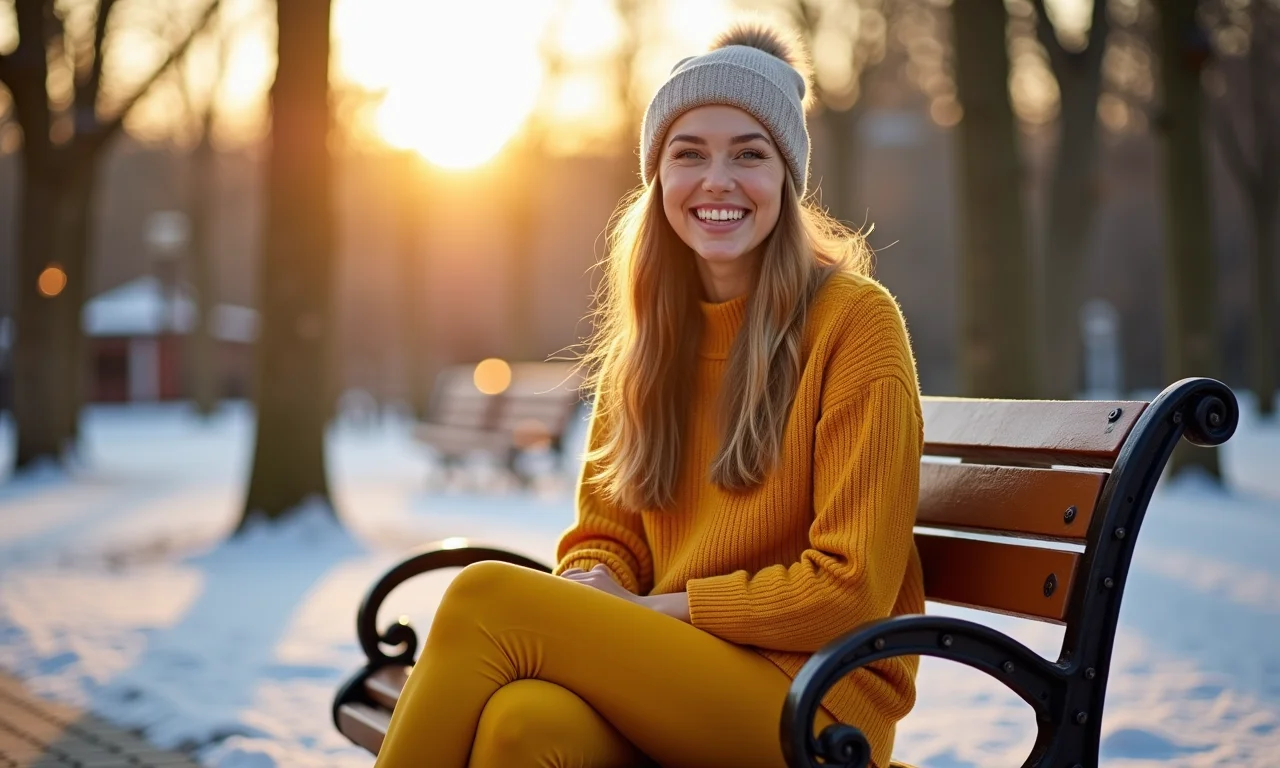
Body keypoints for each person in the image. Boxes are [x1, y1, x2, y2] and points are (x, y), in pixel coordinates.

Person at [373, 19, 924, 768]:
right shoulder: (649, 345)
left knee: (484, 599)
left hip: (815, 706)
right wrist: (591, 589)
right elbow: (608, 539)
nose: (717, 181)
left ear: (787, 179)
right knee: (522, 723)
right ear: (658, 176)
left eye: (749, 154)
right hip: (677, 673)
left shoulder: (854, 323)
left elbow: (850, 589)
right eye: (688, 153)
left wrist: (652, 611)